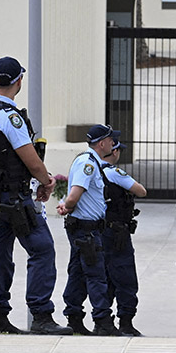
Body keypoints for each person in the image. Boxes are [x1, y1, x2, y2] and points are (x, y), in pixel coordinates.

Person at [0, 56, 71, 336]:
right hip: (13, 197)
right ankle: (41, 315)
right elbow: (30, 159)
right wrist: (47, 181)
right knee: (42, 248)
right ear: (19, 81)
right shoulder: (10, 117)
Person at [57, 124, 121, 336]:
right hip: (87, 230)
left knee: (77, 273)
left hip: (83, 228)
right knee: (96, 275)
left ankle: (74, 317)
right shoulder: (88, 164)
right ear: (102, 143)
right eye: (111, 140)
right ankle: (103, 322)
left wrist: (68, 206)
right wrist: (67, 205)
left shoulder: (89, 161)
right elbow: (74, 195)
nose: (113, 144)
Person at [99, 135, 147, 336]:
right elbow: (141, 191)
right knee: (125, 276)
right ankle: (125, 322)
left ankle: (102, 320)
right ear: (115, 151)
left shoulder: (91, 169)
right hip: (117, 232)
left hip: (99, 230)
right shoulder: (114, 172)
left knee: (104, 276)